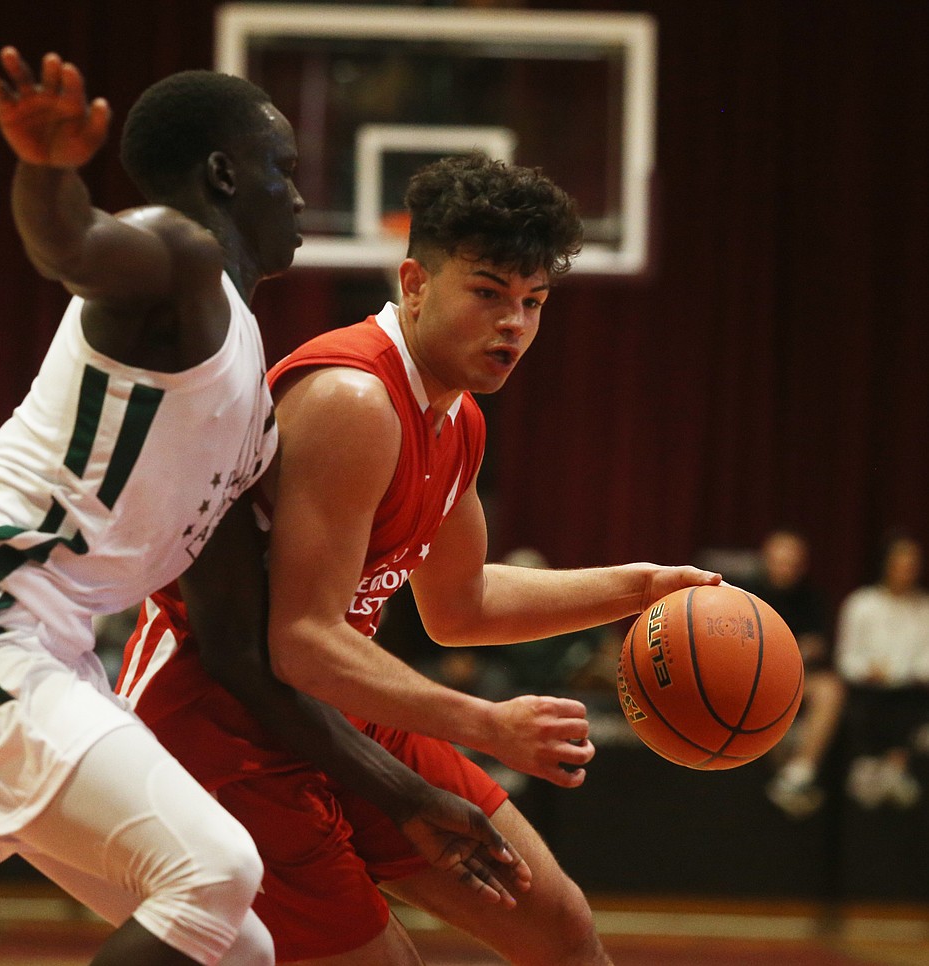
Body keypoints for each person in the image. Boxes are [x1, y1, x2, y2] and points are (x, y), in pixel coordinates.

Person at [0, 49, 518, 966]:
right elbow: (72, 247)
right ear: (223, 174)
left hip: (39, 652)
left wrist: (403, 793)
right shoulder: (179, 257)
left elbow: (246, 657)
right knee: (215, 876)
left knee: (239, 941)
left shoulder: (244, 394)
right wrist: (47, 171)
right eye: (283, 170)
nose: (296, 195)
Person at [119, 154, 723, 964]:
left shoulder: (459, 418)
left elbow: (460, 604)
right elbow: (298, 639)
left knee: (559, 924)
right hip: (219, 718)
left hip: (333, 699)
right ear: (414, 281)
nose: (514, 323)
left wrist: (639, 588)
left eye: (533, 302)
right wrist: (486, 725)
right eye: (488, 293)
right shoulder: (354, 401)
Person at [744, 529, 846, 819]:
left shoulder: (811, 597)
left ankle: (798, 773)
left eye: (792, 563)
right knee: (761, 692)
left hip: (799, 675)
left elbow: (816, 644)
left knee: (831, 689)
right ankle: (781, 776)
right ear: (766, 560)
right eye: (779, 561)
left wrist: (792, 653)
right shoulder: (746, 594)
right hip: (756, 676)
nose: (785, 569)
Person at [835, 532, 929, 810]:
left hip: (912, 691)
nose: (906, 570)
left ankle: (894, 768)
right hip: (868, 691)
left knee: (908, 702)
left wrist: (910, 672)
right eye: (900, 563)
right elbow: (846, 659)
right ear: (886, 564)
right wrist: (868, 670)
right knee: (865, 704)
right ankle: (872, 769)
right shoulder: (860, 603)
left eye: (912, 564)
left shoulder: (925, 607)